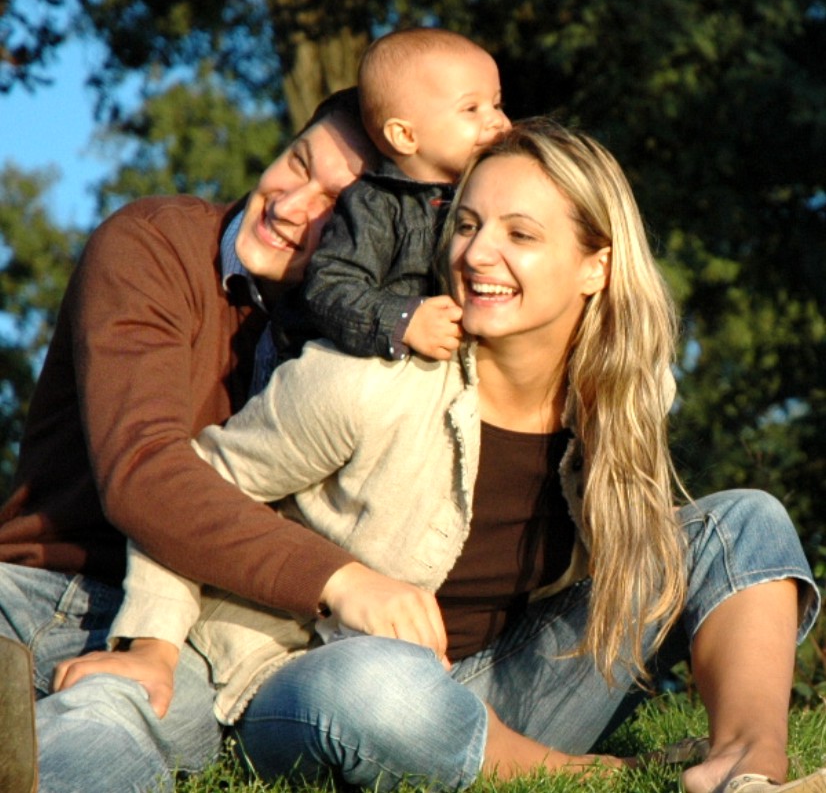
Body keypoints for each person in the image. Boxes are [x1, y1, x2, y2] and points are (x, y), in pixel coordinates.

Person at [60, 118, 821, 793]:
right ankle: (596, 778)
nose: (478, 253)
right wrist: (152, 645)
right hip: (311, 686)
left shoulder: (630, 393)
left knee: (744, 522)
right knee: (383, 685)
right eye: (468, 225)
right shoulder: (363, 384)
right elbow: (197, 488)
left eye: (521, 235)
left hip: (498, 690)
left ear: (596, 265)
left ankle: (747, 768)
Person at [0, 87, 379, 792]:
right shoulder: (154, 243)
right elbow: (144, 470)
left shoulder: (367, 349)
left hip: (195, 639)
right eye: (298, 164)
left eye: (337, 208)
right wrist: (339, 580)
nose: (291, 206)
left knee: (113, 732)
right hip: (44, 586)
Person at [303, 27, 510, 361]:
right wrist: (404, 320)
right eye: (471, 109)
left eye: (497, 104)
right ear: (404, 135)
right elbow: (329, 287)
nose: (497, 121)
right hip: (385, 374)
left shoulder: (495, 194)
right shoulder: (378, 205)